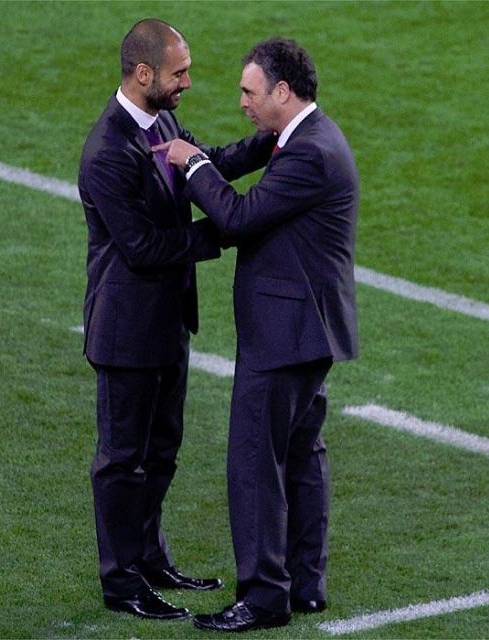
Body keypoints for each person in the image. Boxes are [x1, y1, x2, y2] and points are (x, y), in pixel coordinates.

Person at [155, 37, 359, 632]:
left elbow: (238, 217)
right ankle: (305, 583)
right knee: (301, 456)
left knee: (255, 461)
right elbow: (238, 160)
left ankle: (266, 595)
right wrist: (198, 155)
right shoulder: (300, 136)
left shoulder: (308, 153)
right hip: (307, 330)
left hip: (284, 334)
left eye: (249, 92)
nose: (242, 102)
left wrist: (190, 165)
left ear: (282, 91)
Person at [78, 19, 276, 621]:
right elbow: (141, 247)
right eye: (179, 73)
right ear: (144, 74)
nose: (187, 82)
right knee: (122, 459)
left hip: (167, 322)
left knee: (162, 450)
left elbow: (204, 163)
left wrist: (271, 139)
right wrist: (224, 231)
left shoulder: (159, 122)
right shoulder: (108, 151)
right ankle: (121, 582)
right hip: (126, 331)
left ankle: (149, 557)